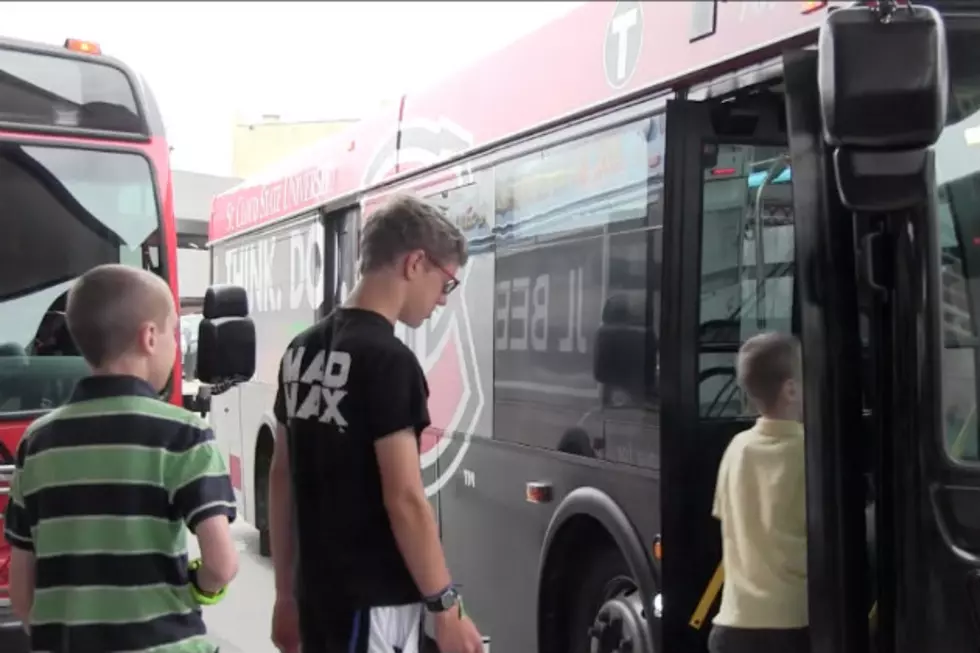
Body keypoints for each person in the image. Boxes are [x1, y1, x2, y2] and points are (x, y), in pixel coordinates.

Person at [268, 195, 484, 653]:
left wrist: (284, 594)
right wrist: (446, 608)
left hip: (317, 594)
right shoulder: (390, 363)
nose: (442, 302)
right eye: (446, 284)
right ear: (415, 263)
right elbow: (405, 498)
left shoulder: (300, 351)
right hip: (375, 602)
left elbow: (281, 477)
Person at [3, 264, 239, 653]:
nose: (175, 347)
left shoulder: (36, 441)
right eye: (173, 334)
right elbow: (221, 564)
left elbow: (23, 593)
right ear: (149, 337)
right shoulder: (183, 434)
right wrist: (199, 589)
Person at [709, 331, 808, 653]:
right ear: (790, 389)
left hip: (732, 627)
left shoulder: (737, 448)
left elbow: (726, 517)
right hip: (793, 624)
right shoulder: (809, 452)